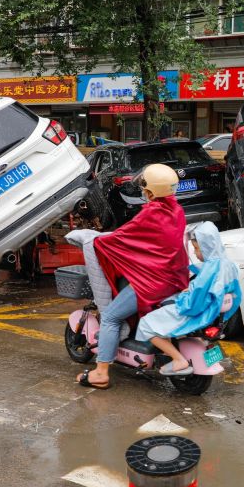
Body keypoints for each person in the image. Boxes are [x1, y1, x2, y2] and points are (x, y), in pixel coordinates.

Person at [75, 163, 190, 389]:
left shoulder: (151, 213)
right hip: (174, 279)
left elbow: (122, 238)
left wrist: (93, 240)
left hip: (151, 283)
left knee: (110, 317)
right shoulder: (177, 211)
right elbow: (151, 245)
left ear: (149, 192)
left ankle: (101, 372)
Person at [135, 222, 241, 375]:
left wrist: (184, 296)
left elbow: (193, 305)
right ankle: (168, 353)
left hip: (198, 313)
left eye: (197, 248)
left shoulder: (209, 269)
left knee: (146, 324)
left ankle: (178, 359)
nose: (196, 253)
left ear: (206, 247)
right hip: (217, 313)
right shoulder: (228, 264)